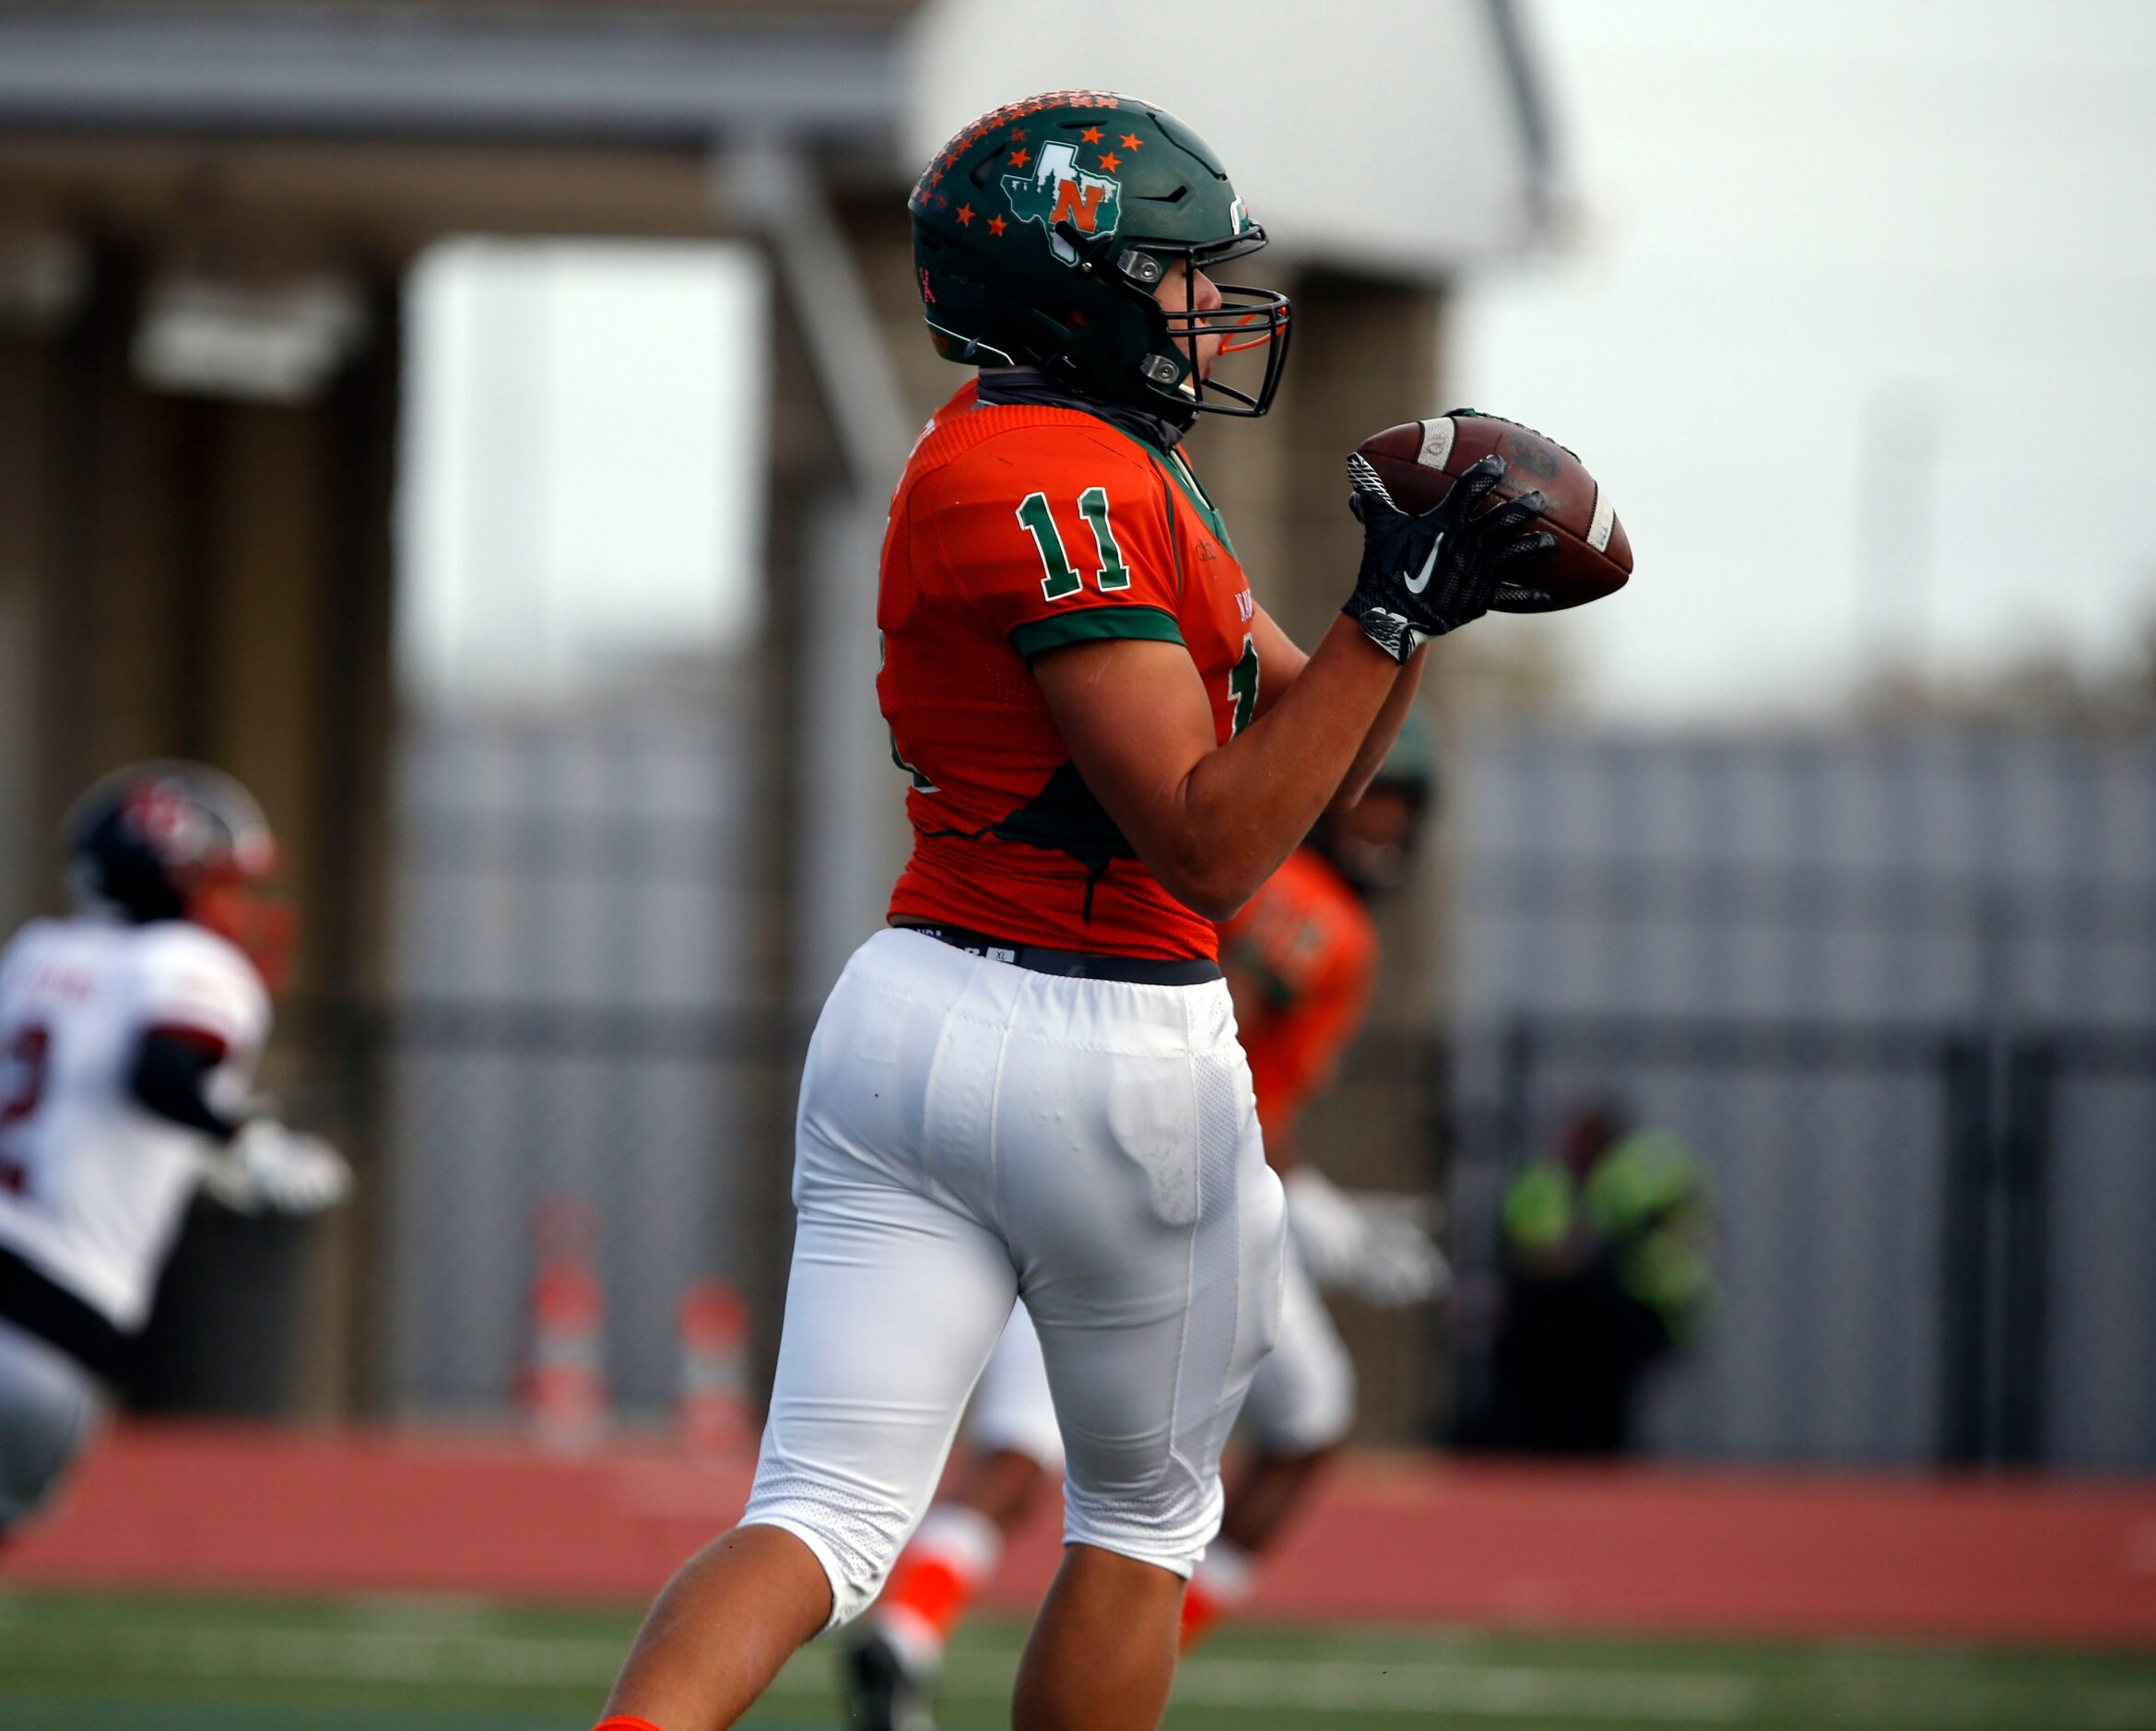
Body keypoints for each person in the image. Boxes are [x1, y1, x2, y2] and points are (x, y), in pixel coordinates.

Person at [595, 89, 1551, 1731]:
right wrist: (1384, 614)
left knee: (817, 1512)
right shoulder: (1070, 483)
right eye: (1176, 270)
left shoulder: (1041, 455)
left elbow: (1304, 753)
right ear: (1076, 284)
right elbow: (1212, 843)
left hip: (910, 1015)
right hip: (1109, 1036)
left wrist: (1403, 614)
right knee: (1142, 1522)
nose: (1208, 302)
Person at [843, 736, 1447, 1730]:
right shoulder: (1305, 904)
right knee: (1203, 1468)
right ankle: (1130, 1656)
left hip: (1037, 1119)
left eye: (1398, 804)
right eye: (1374, 797)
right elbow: (1237, 1051)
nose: (1384, 823)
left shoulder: (1171, 844)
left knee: (1026, 1443)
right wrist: (1311, 1203)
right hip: (1172, 1175)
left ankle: (907, 1633)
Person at [0, 762, 351, 1538]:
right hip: (49, 1315)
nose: (237, 905)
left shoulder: (33, 958)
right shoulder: (190, 967)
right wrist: (246, 1140)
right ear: (170, 878)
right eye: (222, 882)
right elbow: (159, 1072)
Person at [1483, 1104, 1713, 1454]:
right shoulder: (1544, 1184)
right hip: (1564, 1315)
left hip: (1636, 1314)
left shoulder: (1635, 1180)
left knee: (1598, 1362)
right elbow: (1534, 1256)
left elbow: (1606, 1249)